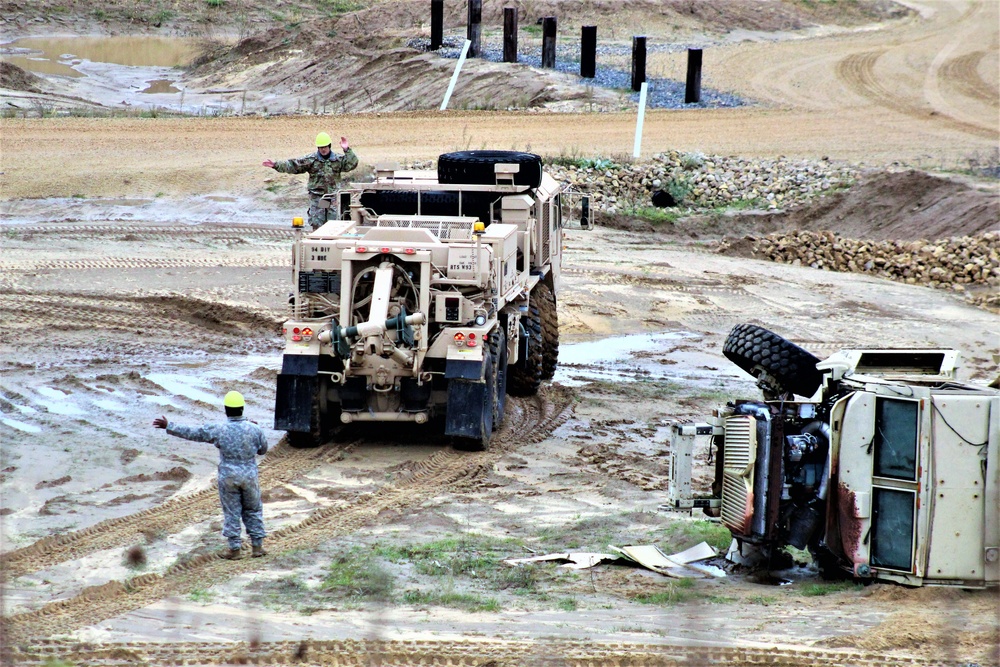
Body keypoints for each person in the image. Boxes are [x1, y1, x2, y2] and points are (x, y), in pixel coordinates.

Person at [153, 391, 269, 560]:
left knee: (231, 512)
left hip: (228, 477)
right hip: (250, 476)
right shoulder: (255, 429)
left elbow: (194, 433)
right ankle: (257, 547)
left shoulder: (219, 429)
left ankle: (234, 550)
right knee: (253, 510)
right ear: (242, 408)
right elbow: (263, 449)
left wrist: (169, 426)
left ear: (226, 410)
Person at [263, 132, 359, 230]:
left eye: (325, 147)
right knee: (317, 225)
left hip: (333, 197)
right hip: (317, 197)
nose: (323, 149)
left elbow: (352, 163)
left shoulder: (337, 160)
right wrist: (276, 165)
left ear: (329, 146)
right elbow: (294, 165)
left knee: (334, 225)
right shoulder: (311, 159)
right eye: (321, 147)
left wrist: (347, 150)